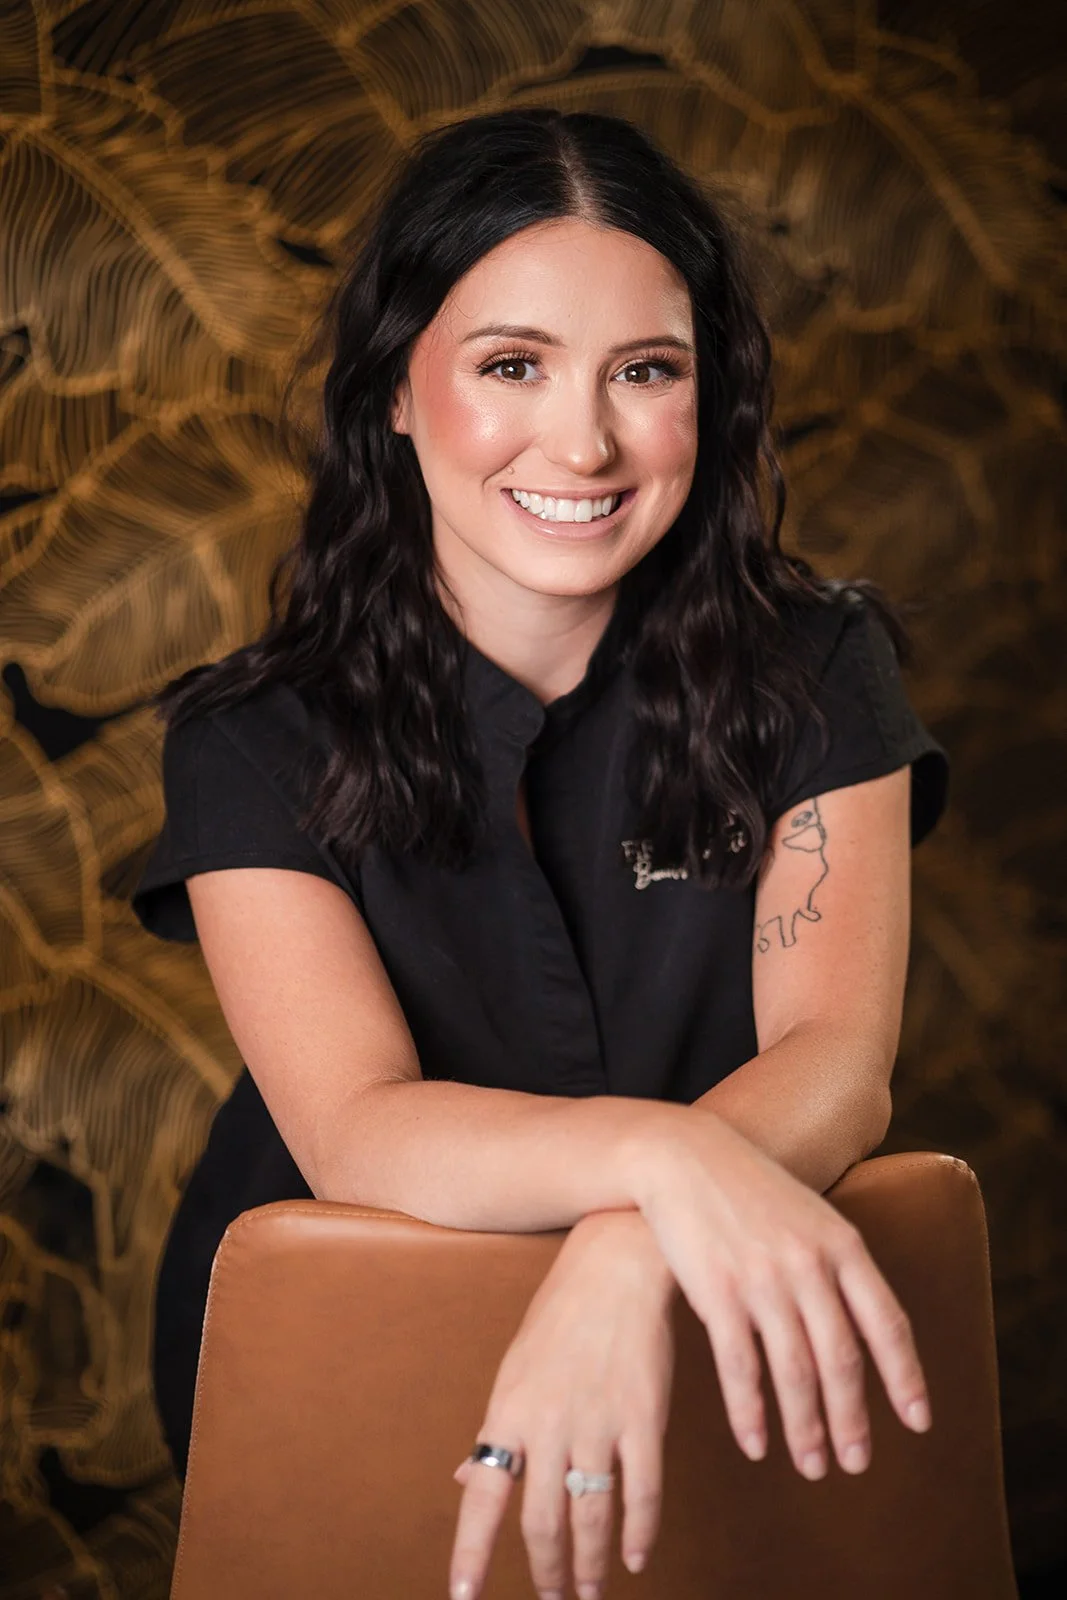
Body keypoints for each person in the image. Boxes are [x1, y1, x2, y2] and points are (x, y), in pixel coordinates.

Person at [130, 107, 949, 1600]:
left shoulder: (819, 668)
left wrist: (630, 1248)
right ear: (393, 389)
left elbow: (837, 1058)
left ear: (709, 400)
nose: (581, 441)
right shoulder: (246, 740)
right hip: (345, 1357)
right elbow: (358, 1130)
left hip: (727, 1334)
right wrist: (665, 1159)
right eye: (511, 365)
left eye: (645, 373)